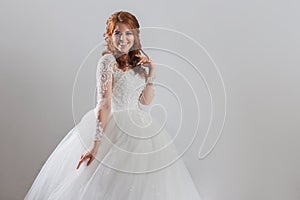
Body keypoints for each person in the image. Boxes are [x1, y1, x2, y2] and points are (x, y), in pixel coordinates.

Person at [24, 11, 202, 200]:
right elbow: (104, 103)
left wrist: (152, 72)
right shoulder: (107, 62)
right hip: (113, 125)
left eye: (128, 33)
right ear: (110, 36)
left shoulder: (139, 63)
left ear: (135, 36)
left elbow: (145, 102)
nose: (123, 39)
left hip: (141, 127)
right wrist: (95, 144)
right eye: (117, 33)